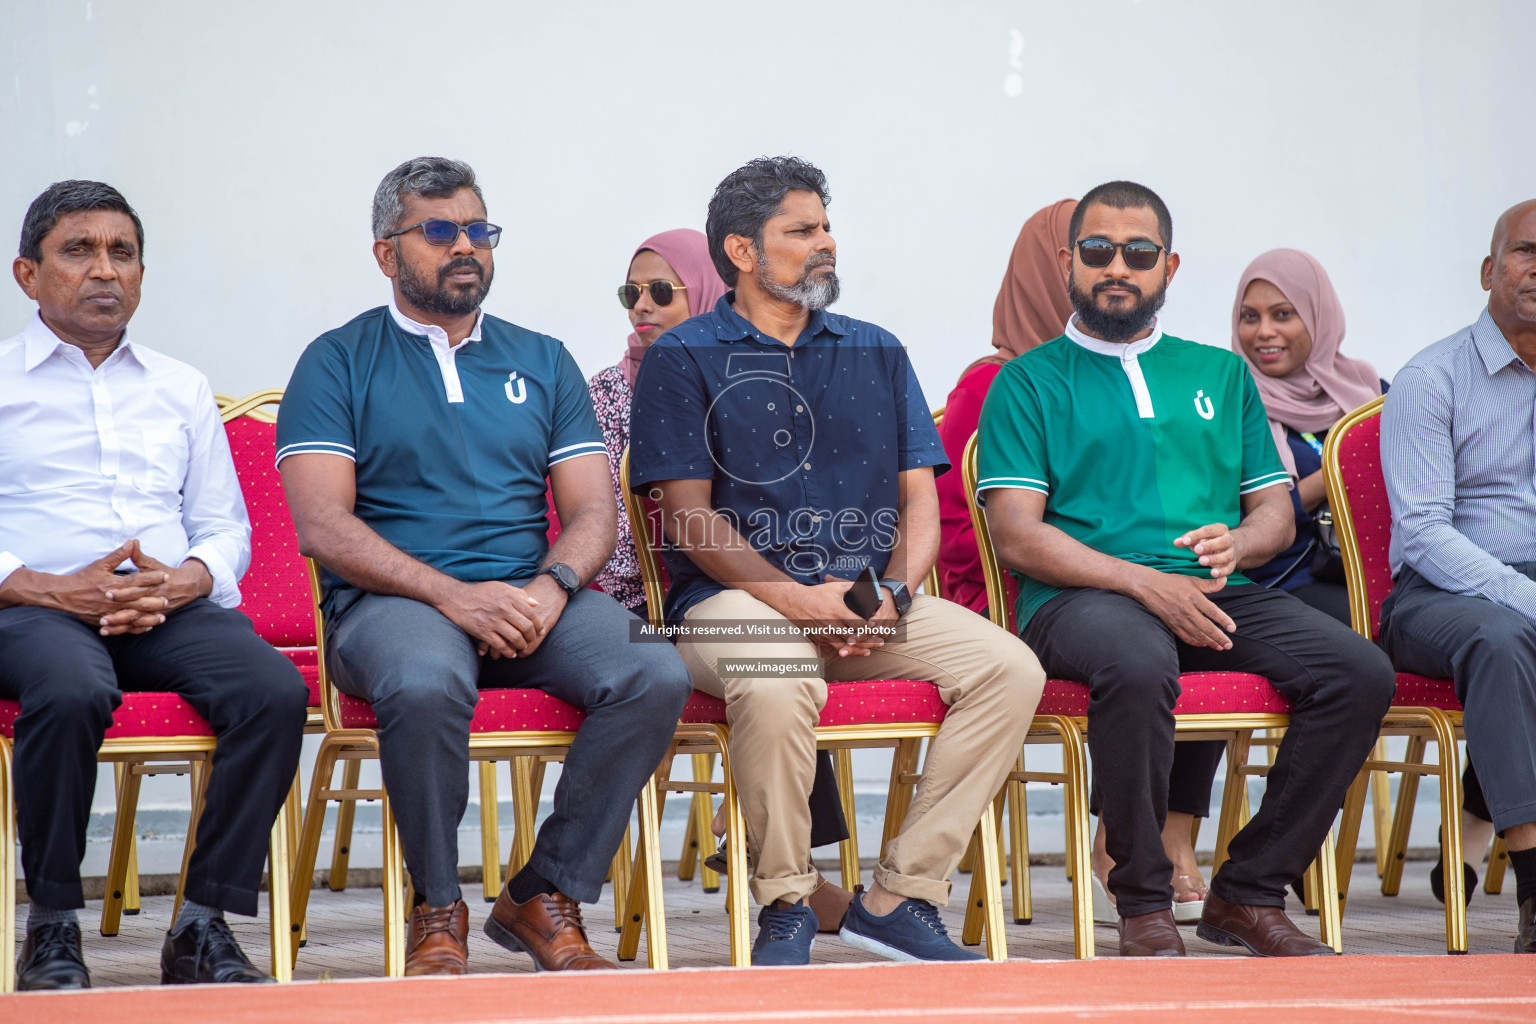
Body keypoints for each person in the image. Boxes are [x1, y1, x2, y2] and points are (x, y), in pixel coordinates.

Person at [277, 157, 692, 976]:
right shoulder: (336, 361)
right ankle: (437, 906)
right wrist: (450, 595)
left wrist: (551, 586)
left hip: (528, 599)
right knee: (426, 681)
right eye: (440, 231)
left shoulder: (541, 359)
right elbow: (323, 523)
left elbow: (593, 512)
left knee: (654, 671)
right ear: (386, 252)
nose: (465, 246)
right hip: (390, 606)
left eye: (478, 230)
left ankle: (544, 891)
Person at [628, 156, 1045, 966]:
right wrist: (798, 599)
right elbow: (688, 519)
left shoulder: (876, 350)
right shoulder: (684, 358)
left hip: (866, 600)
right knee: (779, 672)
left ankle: (899, 897)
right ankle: (786, 899)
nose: (826, 243)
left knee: (1009, 669)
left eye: (825, 227)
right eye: (803, 230)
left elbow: (919, 500)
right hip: (726, 603)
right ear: (742, 251)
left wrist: (890, 590)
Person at [977, 180, 1394, 958]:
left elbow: (1273, 508)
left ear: (1169, 265)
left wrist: (1243, 544)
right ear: (1069, 261)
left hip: (1214, 590)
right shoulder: (1027, 382)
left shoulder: (1221, 374)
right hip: (1080, 599)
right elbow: (1018, 538)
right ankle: (1142, 901)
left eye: (1139, 254)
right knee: (1139, 659)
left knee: (1358, 671)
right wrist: (1140, 581)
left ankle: (1247, 891)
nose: (1117, 268)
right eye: (1098, 251)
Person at [0, 181, 308, 988]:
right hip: (36, 610)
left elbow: (224, 525)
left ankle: (203, 926)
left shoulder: (177, 386)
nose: (105, 270)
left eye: (122, 253)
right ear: (27, 275)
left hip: (165, 605)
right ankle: (55, 927)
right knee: (69, 690)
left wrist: (185, 583)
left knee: (272, 691)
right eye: (79, 250)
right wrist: (49, 587)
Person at [592, 228, 856, 929]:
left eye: (660, 292)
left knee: (795, 628)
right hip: (628, 596)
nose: (640, 308)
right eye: (630, 294)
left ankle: (771, 849)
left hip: (735, 585)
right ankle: (780, 862)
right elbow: (612, 525)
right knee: (772, 638)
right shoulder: (608, 396)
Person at [1379, 198, 1536, 955]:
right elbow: (1424, 535)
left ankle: (1478, 823)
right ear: (1488, 269)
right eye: (1526, 251)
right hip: (1438, 593)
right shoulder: (1431, 378)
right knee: (1506, 639)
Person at [1232, 249, 1385, 624]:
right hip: (1286, 579)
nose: (1264, 331)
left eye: (1283, 314)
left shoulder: (1368, 390)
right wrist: (1335, 476)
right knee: (1381, 626)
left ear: (1319, 316)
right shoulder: (1232, 404)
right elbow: (1246, 516)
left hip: (1379, 565)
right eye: (1249, 317)